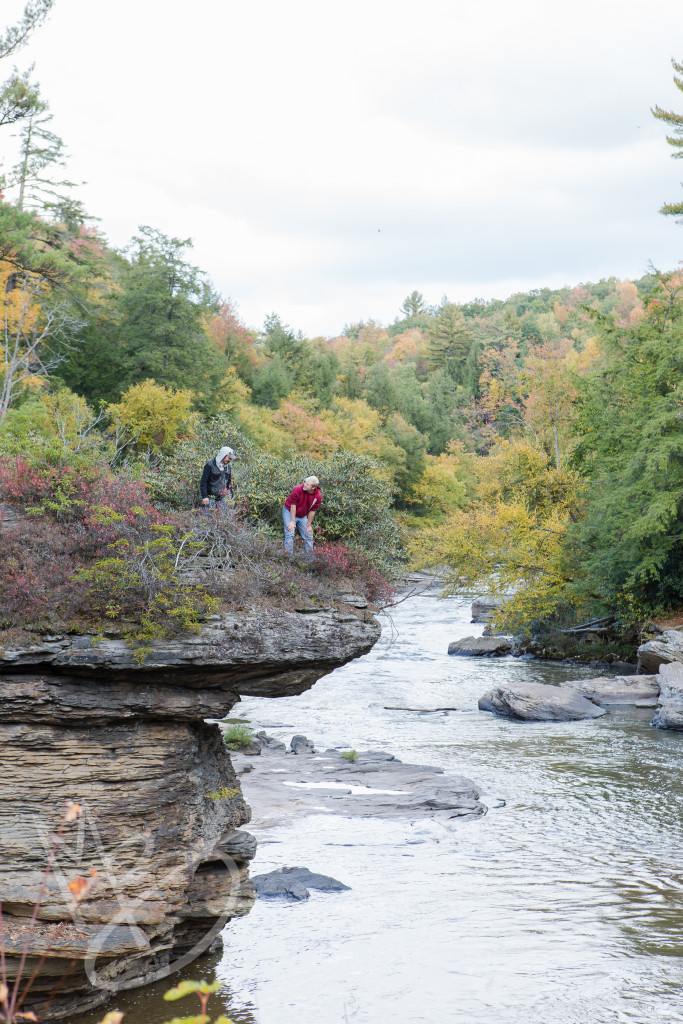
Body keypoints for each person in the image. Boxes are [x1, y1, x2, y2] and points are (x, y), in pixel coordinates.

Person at [283, 476, 321, 557]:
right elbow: (293, 505)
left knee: (309, 535)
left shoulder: (318, 496)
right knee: (290, 533)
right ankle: (289, 559)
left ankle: (309, 561)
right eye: (305, 482)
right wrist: (292, 522)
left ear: (313, 487)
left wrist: (308, 525)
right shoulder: (297, 489)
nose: (304, 485)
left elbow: (312, 511)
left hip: (302, 515)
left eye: (307, 484)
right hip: (289, 511)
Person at [200, 446, 238, 516]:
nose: (229, 460)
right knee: (206, 520)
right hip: (210, 498)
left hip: (223, 499)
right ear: (223, 455)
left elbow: (228, 484)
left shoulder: (228, 467)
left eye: (231, 458)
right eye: (229, 458)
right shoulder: (209, 465)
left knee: (223, 521)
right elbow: (203, 482)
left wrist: (230, 499)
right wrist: (204, 496)